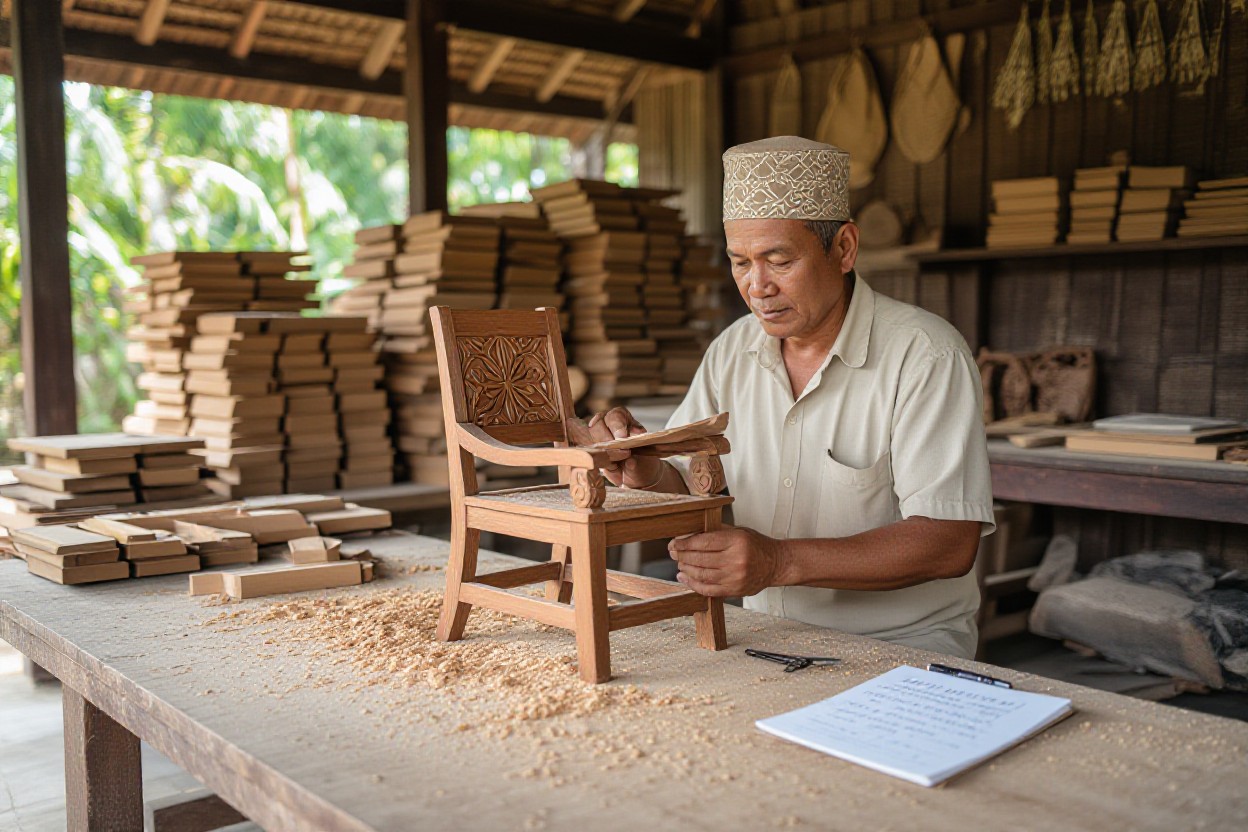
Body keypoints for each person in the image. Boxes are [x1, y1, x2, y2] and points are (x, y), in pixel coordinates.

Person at [577, 136, 994, 659]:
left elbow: (948, 542)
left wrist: (777, 562)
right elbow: (687, 480)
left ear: (843, 249)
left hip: (902, 647)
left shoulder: (926, 355)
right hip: (765, 640)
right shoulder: (733, 349)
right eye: (739, 262)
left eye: (778, 260)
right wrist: (647, 473)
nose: (757, 286)